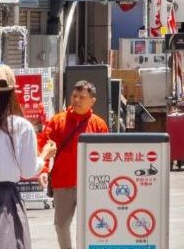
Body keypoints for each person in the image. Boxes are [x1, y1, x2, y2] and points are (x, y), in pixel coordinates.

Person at [0, 65, 56, 248]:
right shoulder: (22, 127)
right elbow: (28, 169)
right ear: (13, 92)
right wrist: (45, 155)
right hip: (5, 200)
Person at [40, 80, 109, 249]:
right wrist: (43, 169)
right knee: (61, 225)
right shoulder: (57, 121)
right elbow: (45, 147)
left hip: (92, 184)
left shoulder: (99, 124)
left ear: (92, 100)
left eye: (82, 97)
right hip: (63, 183)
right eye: (74, 96)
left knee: (92, 224)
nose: (76, 100)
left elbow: (108, 154)